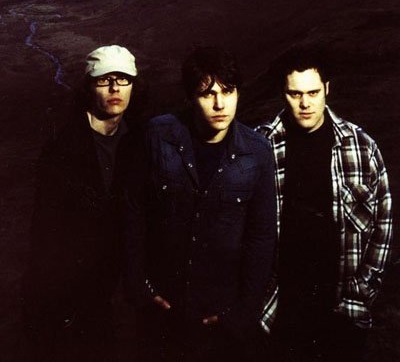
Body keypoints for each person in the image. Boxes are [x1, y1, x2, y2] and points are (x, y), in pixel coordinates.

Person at [121, 46, 277, 361]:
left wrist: (244, 312)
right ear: (191, 97)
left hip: (222, 314)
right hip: (164, 309)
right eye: (208, 94)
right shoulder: (158, 136)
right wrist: (138, 287)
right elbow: (133, 213)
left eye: (228, 92)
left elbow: (262, 237)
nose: (220, 104)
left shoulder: (257, 152)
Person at [256, 47, 393, 362]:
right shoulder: (261, 145)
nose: (305, 103)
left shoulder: (362, 147)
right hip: (280, 310)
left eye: (313, 92)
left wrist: (360, 295)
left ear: (327, 89)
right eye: (295, 94)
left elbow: (383, 225)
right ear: (282, 93)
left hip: (342, 308)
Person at [22, 45, 139, 362]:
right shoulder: (62, 150)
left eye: (123, 79)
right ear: (89, 86)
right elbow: (46, 237)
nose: (114, 88)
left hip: (122, 289)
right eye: (104, 80)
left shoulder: (140, 140)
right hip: (77, 296)